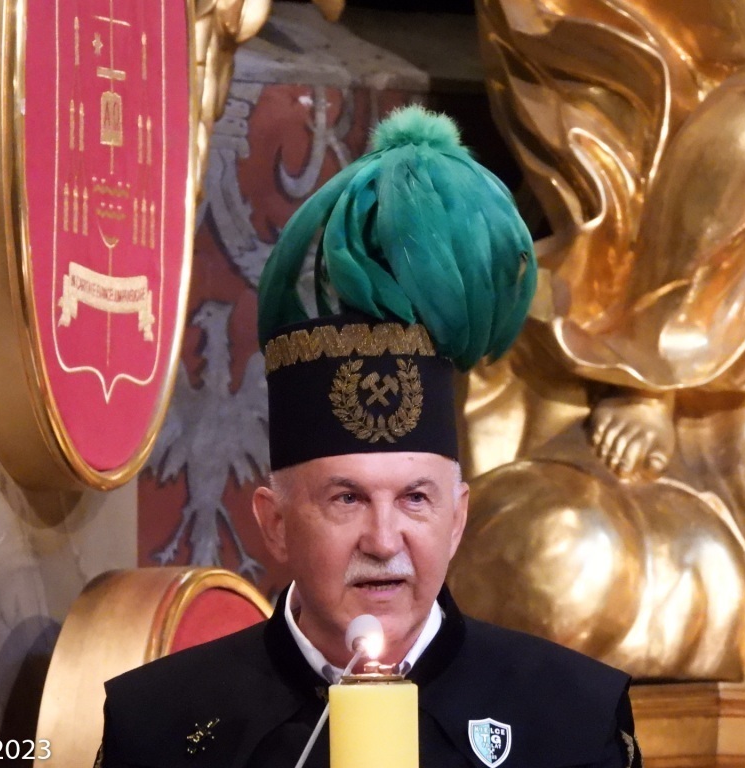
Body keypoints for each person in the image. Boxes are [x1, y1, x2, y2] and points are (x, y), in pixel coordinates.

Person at [97, 106, 641, 768]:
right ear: (275, 524)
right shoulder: (157, 723)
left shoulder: (570, 717)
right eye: (346, 499)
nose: (384, 543)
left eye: (415, 498)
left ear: (457, 519)